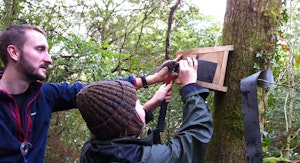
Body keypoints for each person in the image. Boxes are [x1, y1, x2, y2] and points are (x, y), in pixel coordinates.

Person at [0, 24, 180, 162]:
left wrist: (152, 79)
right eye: (40, 49)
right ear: (14, 52)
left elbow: (98, 91)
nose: (49, 59)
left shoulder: (46, 94)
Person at [77, 57, 213, 163]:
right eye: (138, 104)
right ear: (128, 121)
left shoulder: (91, 149)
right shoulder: (136, 159)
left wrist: (153, 103)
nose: (142, 106)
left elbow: (118, 130)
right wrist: (190, 89)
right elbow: (191, 143)